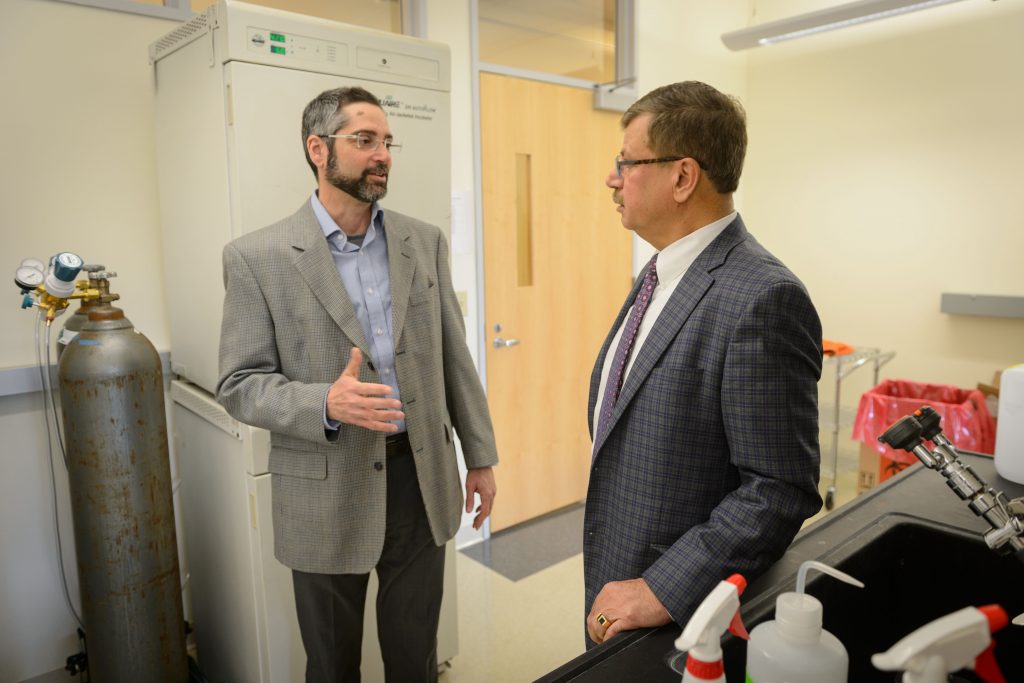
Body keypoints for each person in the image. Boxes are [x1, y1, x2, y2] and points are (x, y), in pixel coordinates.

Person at [216, 86, 498, 683]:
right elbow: (239, 384)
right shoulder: (257, 257)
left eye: (387, 141)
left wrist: (480, 456)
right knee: (332, 662)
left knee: (415, 655)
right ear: (319, 150)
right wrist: (325, 400)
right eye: (364, 140)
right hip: (324, 488)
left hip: (420, 479)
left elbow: (454, 357)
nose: (383, 154)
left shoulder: (424, 242)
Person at [584, 81, 822, 646]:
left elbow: (779, 487)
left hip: (678, 605)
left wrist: (662, 589)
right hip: (617, 562)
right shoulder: (662, 271)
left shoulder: (762, 297)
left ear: (683, 177)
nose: (612, 178)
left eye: (626, 162)